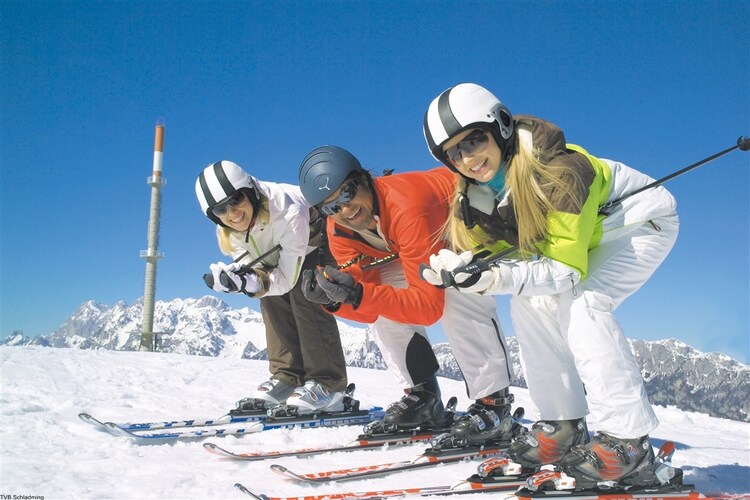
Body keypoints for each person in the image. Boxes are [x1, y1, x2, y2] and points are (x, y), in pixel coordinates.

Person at [420, 83, 679, 486]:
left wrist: (497, 277)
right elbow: (506, 257)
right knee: (528, 302)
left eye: (474, 139)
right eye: (455, 151)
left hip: (637, 225)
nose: (468, 157)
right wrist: (465, 268)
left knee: (582, 301)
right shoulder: (473, 201)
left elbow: (564, 271)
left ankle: (629, 444)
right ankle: (563, 427)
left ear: (501, 126)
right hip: (584, 241)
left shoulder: (561, 170)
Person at [297, 145, 522, 445]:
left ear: (365, 179)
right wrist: (337, 300)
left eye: (348, 193)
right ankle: (423, 398)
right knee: (381, 294)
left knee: (454, 283)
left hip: (464, 227)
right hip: (413, 247)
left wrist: (361, 293)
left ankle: (495, 405)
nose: (345, 210)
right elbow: (369, 308)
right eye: (331, 207)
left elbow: (429, 307)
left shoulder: (406, 203)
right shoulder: (338, 232)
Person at [195, 160, 348, 415]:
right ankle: (288, 379)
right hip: (280, 254)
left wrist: (253, 282)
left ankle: (329, 385)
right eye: (221, 210)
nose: (232, 213)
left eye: (236, 200)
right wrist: (241, 280)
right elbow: (255, 272)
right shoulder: (228, 232)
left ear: (251, 192)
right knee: (271, 302)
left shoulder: (287, 208)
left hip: (318, 240)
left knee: (306, 293)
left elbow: (286, 278)